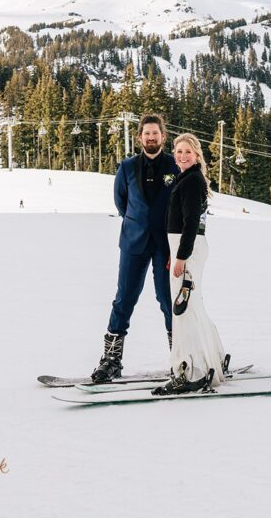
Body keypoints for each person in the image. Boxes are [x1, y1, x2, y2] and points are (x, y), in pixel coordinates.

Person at [91, 113, 180, 383]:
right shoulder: (127, 167)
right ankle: (111, 360)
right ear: (139, 137)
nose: (151, 137)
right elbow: (122, 203)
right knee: (124, 300)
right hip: (133, 243)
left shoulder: (174, 166)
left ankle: (181, 357)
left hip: (165, 247)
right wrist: (138, 222)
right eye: (146, 133)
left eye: (156, 133)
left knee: (168, 301)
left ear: (163, 137)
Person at [153, 132, 225, 396]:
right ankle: (211, 360)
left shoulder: (192, 181)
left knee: (183, 310)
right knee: (192, 306)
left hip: (188, 248)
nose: (182, 156)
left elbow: (191, 222)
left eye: (187, 152)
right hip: (185, 247)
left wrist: (182, 256)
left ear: (197, 155)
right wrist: (177, 252)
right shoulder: (188, 178)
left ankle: (191, 371)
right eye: (179, 151)